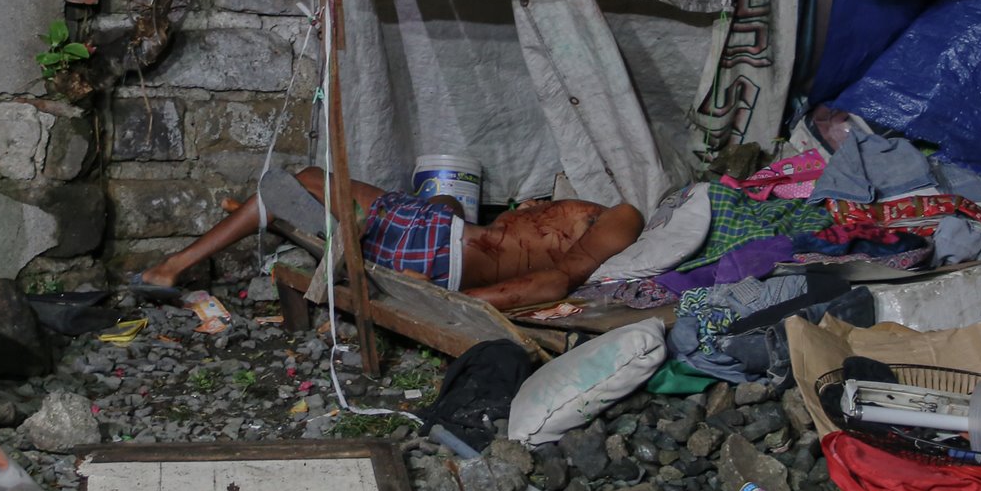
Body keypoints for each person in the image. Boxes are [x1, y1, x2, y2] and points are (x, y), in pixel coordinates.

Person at [131, 167, 644, 311]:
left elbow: (556, 281)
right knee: (305, 184)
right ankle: (183, 260)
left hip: (440, 254)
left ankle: (174, 264)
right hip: (440, 237)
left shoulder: (621, 216)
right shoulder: (559, 218)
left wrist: (447, 301)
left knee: (303, 184)